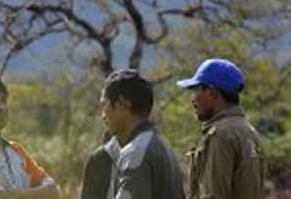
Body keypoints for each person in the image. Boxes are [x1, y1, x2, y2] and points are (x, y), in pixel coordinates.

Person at [85, 69, 184, 199]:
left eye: (105, 105)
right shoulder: (165, 147)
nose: (103, 115)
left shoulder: (135, 152)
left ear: (122, 103)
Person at [177, 58, 265, 199]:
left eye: (196, 90)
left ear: (211, 92)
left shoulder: (220, 135)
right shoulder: (250, 132)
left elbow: (212, 195)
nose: (192, 99)